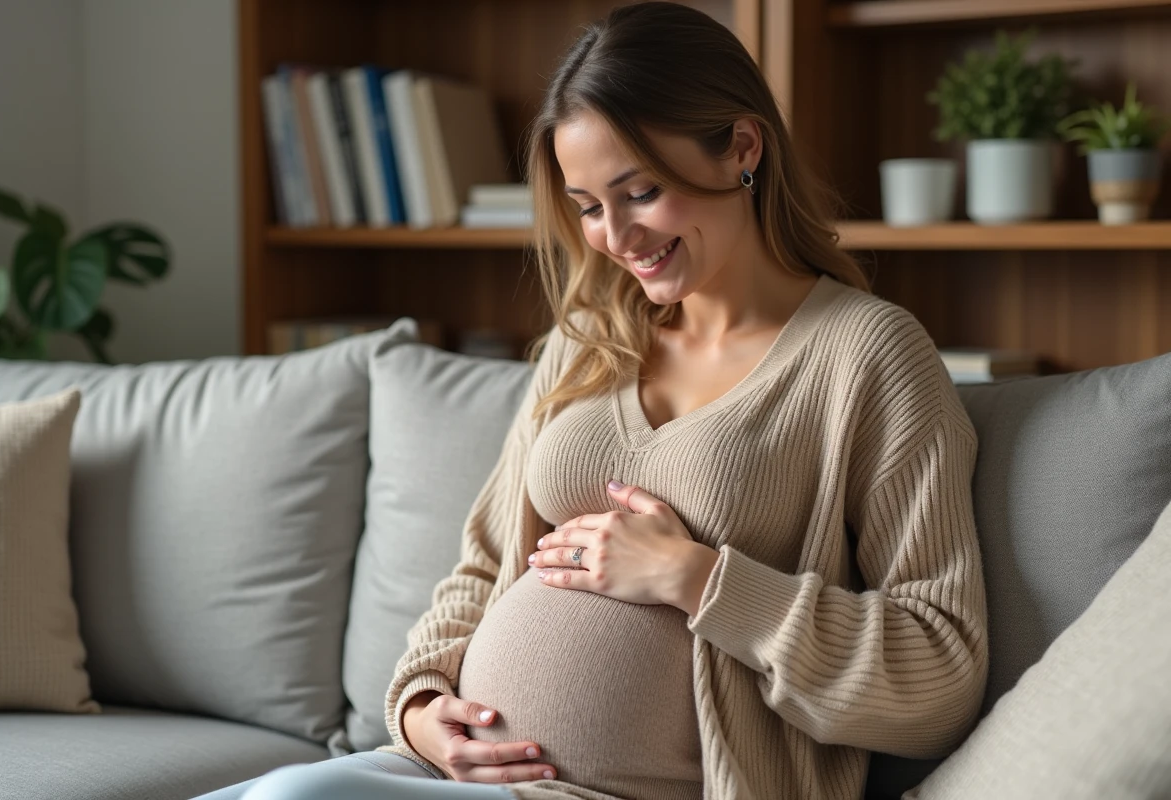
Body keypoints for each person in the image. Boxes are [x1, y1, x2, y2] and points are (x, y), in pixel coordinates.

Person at [195, 2, 988, 799]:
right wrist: (422, 708)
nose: (616, 237)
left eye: (640, 191)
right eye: (586, 207)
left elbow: (941, 672)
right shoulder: (587, 339)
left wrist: (699, 579)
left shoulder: (867, 356)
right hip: (452, 775)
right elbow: (481, 565)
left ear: (743, 148)